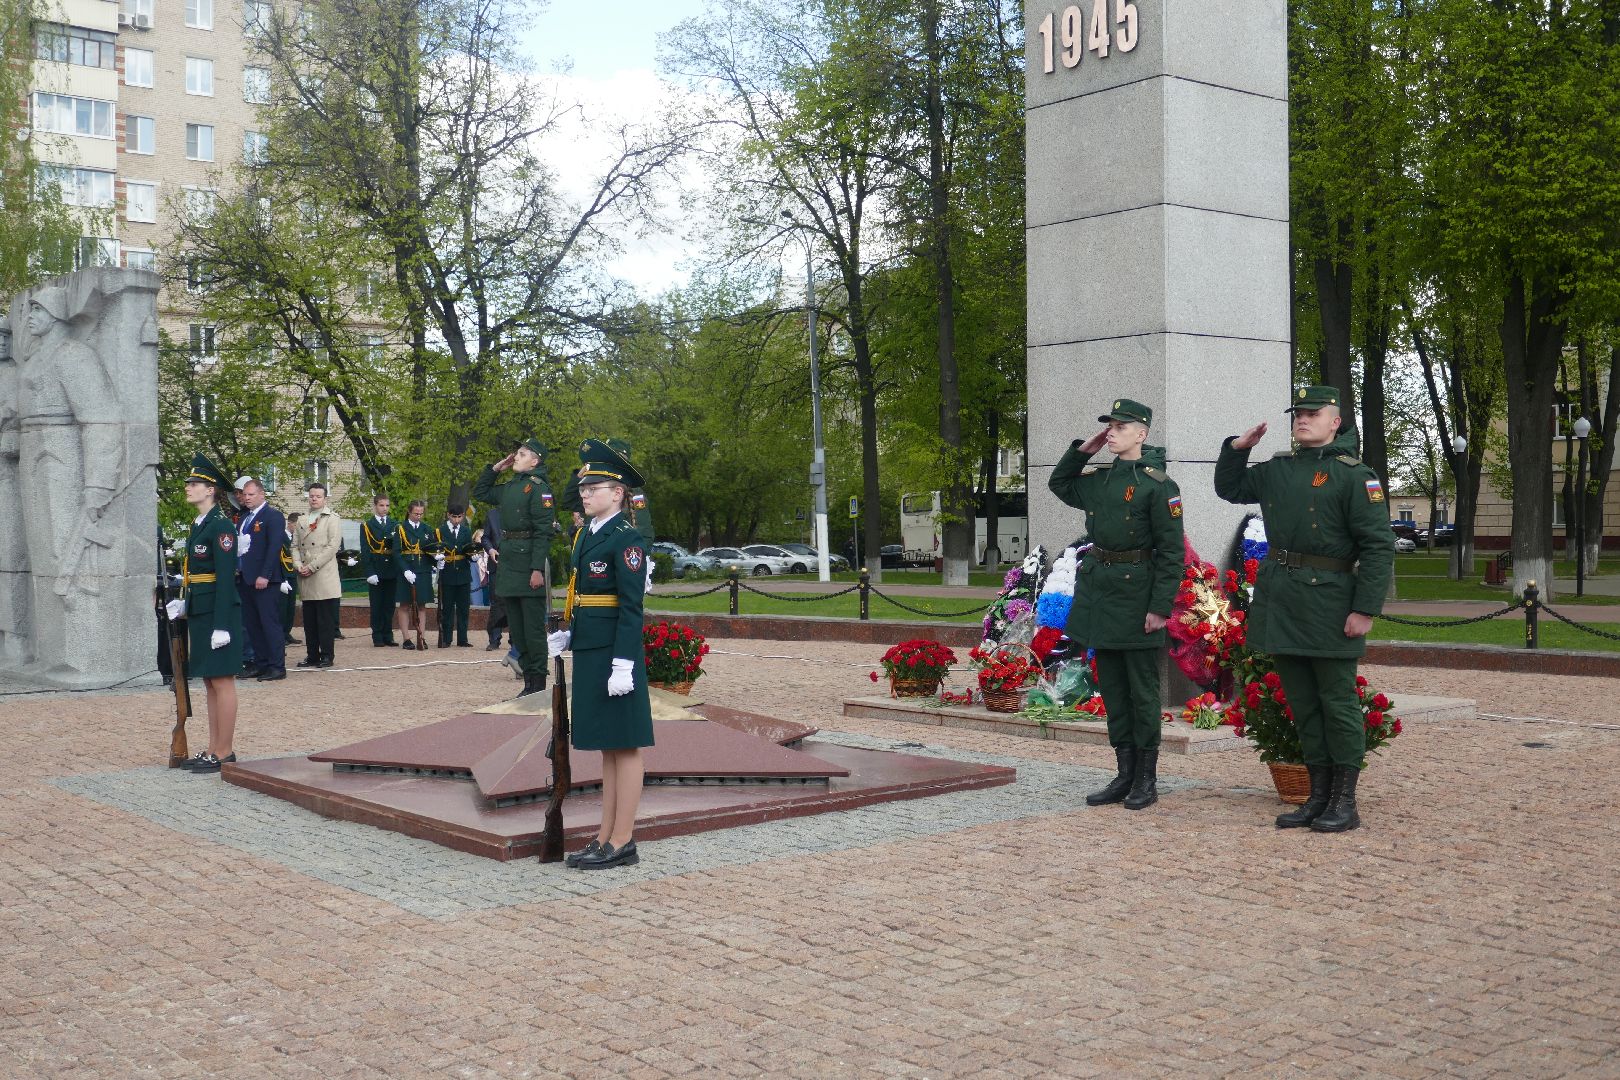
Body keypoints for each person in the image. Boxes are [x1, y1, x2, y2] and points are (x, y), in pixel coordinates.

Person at [1215, 385, 1395, 832]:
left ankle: (1344, 801)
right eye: (1298, 413)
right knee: (1302, 703)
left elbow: (1378, 546)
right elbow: (1230, 488)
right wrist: (1237, 449)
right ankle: (1316, 796)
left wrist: (1365, 609)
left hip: (1331, 601)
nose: (1303, 419)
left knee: (1336, 702)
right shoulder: (1278, 469)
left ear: (1336, 422)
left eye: (1314, 413)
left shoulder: (1355, 475)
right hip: (1283, 598)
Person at [1048, 398, 1184, 810]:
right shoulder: (1099, 481)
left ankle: (1146, 778)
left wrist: (1161, 606)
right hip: (1100, 594)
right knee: (1112, 687)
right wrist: (1083, 450)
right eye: (1110, 425)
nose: (1112, 432)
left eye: (1121, 427)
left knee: (1141, 691)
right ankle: (1124, 774)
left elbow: (1172, 552)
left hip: (1137, 593)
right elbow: (1059, 484)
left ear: (1141, 434)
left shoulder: (1158, 485)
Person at [547, 439, 653, 869]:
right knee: (608, 747)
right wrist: (569, 634)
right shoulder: (586, 534)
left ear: (618, 492)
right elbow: (585, 594)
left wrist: (624, 662)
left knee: (625, 746)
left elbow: (631, 607)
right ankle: (605, 835)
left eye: (595, 487)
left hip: (615, 654)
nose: (585, 493)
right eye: (585, 487)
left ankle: (622, 840)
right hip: (592, 648)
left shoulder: (626, 538)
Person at [166, 455, 244, 774]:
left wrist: (222, 624)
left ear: (210, 490)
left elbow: (225, 577)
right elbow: (196, 572)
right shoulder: (198, 525)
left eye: (194, 484)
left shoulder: (222, 526)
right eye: (189, 483)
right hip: (202, 610)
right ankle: (213, 748)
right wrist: (186, 601)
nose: (189, 488)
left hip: (218, 614)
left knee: (223, 681)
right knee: (210, 681)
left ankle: (224, 751)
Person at [473, 439, 556, 696]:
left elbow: (543, 533)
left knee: (532, 630)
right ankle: (528, 683)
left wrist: (536, 570)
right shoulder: (511, 486)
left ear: (535, 461)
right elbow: (481, 492)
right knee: (518, 632)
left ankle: (538, 685)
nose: (515, 457)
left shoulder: (539, 489)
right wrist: (496, 468)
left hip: (527, 562)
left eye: (521, 454)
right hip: (509, 563)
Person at [231, 476, 287, 681]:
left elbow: (273, 548)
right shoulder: (244, 517)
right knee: (252, 624)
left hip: (265, 580)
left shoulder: (272, 516)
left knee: (268, 623)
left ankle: (276, 665)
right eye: (244, 494)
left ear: (262, 494)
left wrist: (265, 574)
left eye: (251, 494)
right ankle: (261, 663)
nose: (246, 498)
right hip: (245, 578)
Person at [293, 482, 342, 669]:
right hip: (305, 573)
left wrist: (312, 566)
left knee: (325, 620)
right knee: (310, 620)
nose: (314, 499)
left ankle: (327, 655)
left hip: (323, 574)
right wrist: (298, 565)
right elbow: (294, 546)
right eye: (312, 496)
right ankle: (312, 654)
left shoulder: (332, 519)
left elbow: (332, 547)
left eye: (318, 496)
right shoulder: (301, 519)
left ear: (325, 498)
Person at [394, 499, 436, 649]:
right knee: (404, 604)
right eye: (415, 513)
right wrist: (405, 569)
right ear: (409, 512)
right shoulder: (400, 529)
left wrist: (437, 559)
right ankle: (406, 639)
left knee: (422, 605)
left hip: (422, 569)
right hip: (407, 570)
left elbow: (431, 549)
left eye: (421, 513)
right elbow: (397, 552)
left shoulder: (427, 529)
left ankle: (421, 636)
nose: (418, 516)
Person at [435, 504, 477, 647]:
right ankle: (446, 638)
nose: (457, 520)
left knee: (463, 608)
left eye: (460, 517)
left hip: (463, 573)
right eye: (454, 517)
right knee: (447, 608)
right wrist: (438, 560)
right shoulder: (441, 530)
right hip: (447, 572)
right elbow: (436, 550)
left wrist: (473, 557)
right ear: (448, 515)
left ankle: (462, 638)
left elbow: (468, 550)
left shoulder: (466, 530)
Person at [360, 494, 399, 646]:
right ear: (375, 506)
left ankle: (388, 634)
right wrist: (369, 572)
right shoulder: (367, 525)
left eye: (387, 506)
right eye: (382, 505)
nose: (385, 509)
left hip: (391, 569)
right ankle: (377, 635)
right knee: (376, 604)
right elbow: (365, 550)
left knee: (389, 604)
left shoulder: (395, 524)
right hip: (376, 567)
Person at [481, 506, 508, 652]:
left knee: (515, 603)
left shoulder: (521, 511)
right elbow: (485, 537)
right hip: (496, 564)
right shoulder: (492, 514)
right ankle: (494, 639)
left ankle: (515, 641)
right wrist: (490, 549)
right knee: (496, 603)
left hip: (515, 566)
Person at [280, 512, 301, 646]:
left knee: (290, 607)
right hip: (283, 575)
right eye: (297, 525)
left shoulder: (296, 538)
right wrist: (282, 578)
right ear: (290, 523)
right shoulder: (280, 536)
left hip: (293, 574)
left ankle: (287, 632)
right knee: (282, 607)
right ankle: (280, 634)